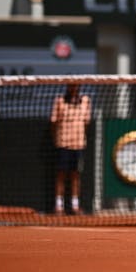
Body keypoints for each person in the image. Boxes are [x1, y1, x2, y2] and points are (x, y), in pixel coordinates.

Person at [51, 83, 91, 214]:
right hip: (63, 143)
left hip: (78, 144)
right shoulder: (59, 101)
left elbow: (87, 123)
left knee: (76, 174)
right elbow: (53, 122)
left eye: (76, 86)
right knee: (61, 174)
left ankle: (75, 205)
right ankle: (59, 205)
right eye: (71, 86)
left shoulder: (85, 101)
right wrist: (56, 139)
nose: (74, 88)